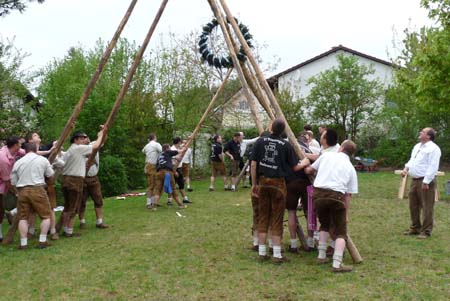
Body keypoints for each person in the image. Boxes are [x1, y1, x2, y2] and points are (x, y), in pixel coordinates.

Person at [250, 119, 310, 264]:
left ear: (271, 128)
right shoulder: (286, 145)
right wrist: (304, 163)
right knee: (277, 218)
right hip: (278, 184)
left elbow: (253, 164)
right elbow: (294, 168)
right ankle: (277, 254)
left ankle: (262, 252)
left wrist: (254, 184)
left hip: (263, 182)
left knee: (263, 216)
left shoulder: (260, 141)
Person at [305, 140, 358, 273]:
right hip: (337, 196)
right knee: (341, 232)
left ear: (341, 149)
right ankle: (337, 264)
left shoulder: (327, 156)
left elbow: (309, 170)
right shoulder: (351, 168)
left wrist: (305, 165)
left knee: (324, 225)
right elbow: (348, 195)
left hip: (319, 195)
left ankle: (321, 256)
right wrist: (346, 214)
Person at [60, 129, 104, 237]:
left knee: (67, 206)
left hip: (66, 180)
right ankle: (69, 232)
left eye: (85, 138)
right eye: (82, 138)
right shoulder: (78, 148)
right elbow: (96, 146)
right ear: (76, 140)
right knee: (73, 207)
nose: (85, 140)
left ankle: (66, 229)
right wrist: (100, 135)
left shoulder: (70, 150)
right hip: (74, 181)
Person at [10, 143, 54, 249]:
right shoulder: (43, 160)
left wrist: (18, 192)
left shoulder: (18, 162)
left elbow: (13, 182)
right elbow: (51, 175)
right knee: (45, 216)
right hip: (38, 189)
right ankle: (42, 241)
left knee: (23, 217)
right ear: (36, 149)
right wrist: (48, 184)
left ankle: (23, 243)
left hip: (22, 190)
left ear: (24, 150)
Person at [401, 127, 441, 239]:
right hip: (414, 180)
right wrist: (406, 169)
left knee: (427, 206)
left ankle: (426, 231)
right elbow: (412, 160)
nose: (420, 133)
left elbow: (433, 166)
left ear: (428, 136)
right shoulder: (417, 146)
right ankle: (415, 227)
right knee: (413, 205)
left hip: (425, 181)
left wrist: (426, 181)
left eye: (423, 132)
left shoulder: (434, 149)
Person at [285, 132, 314, 253]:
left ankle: (293, 244)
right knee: (310, 212)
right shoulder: (309, 151)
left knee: (291, 212)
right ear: (305, 141)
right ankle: (311, 242)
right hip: (307, 183)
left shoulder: (288, 149)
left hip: (291, 182)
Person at [78, 136, 109, 230]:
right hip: (82, 179)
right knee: (81, 201)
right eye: (83, 137)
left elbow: (103, 139)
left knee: (98, 199)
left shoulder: (94, 145)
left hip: (94, 178)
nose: (86, 138)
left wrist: (104, 131)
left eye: (87, 137)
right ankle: (82, 221)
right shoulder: (78, 149)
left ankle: (99, 222)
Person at [0, 136, 24, 242]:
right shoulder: (3, 159)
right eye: (20, 144)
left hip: (3, 184)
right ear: (15, 145)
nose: (21, 145)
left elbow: (28, 152)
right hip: (2, 184)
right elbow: (6, 180)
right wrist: (16, 192)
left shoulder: (13, 150)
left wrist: (49, 151)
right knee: (0, 210)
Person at [151, 144, 187, 210]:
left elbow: (164, 162)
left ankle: (154, 206)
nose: (170, 149)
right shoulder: (168, 152)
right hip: (167, 173)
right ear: (167, 148)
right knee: (173, 189)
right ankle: (180, 205)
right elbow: (178, 151)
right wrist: (184, 149)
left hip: (158, 173)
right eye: (169, 148)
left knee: (158, 190)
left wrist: (175, 158)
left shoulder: (159, 156)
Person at [142, 133, 162, 209]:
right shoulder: (156, 144)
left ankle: (153, 202)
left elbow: (143, 151)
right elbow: (161, 151)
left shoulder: (147, 146)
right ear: (154, 138)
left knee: (153, 184)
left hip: (147, 166)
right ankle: (149, 203)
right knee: (152, 185)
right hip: (152, 166)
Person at [170, 137, 191, 204]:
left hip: (179, 168)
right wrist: (174, 170)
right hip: (173, 168)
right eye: (180, 142)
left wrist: (188, 139)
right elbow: (170, 158)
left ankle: (185, 199)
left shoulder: (177, 148)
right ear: (178, 142)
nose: (181, 143)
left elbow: (184, 145)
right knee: (172, 185)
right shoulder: (172, 149)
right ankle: (169, 200)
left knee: (181, 184)